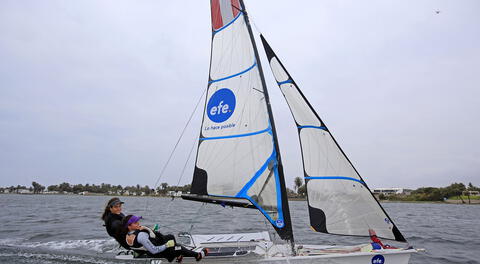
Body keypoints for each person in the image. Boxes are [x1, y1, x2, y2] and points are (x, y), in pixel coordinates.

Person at [122, 215, 207, 262]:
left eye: (137, 221)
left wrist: (152, 230)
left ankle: (175, 255)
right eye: (135, 222)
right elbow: (154, 250)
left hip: (148, 249)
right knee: (178, 247)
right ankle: (198, 255)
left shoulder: (127, 235)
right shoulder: (141, 236)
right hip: (155, 252)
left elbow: (142, 243)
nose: (138, 223)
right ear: (129, 226)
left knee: (170, 237)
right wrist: (167, 245)